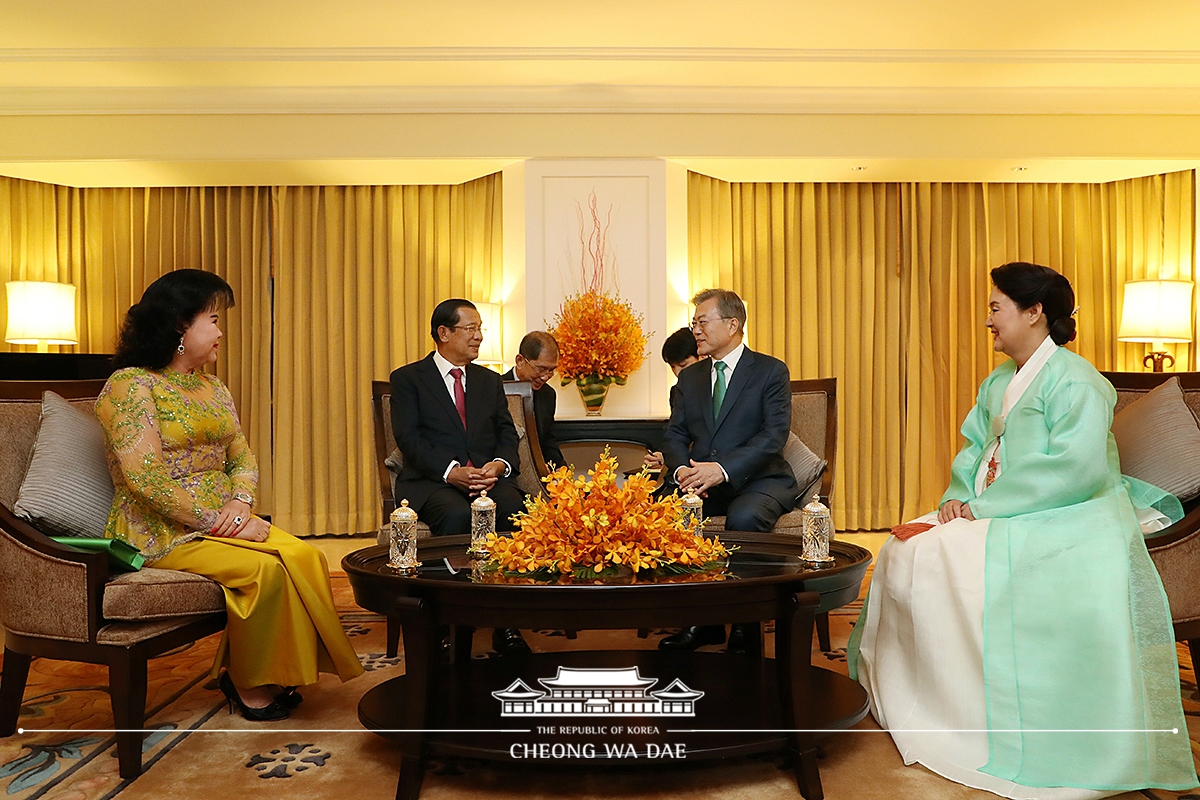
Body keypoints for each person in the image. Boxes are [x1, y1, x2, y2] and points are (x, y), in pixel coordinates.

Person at [848, 262, 1196, 799]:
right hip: (998, 503)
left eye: (995, 308)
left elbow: (1075, 469)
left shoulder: (1081, 381)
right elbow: (973, 450)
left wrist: (985, 509)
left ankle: (973, 718)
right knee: (902, 549)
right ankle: (926, 700)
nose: (988, 319)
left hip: (1067, 508)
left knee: (946, 561)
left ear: (1034, 312)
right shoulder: (999, 381)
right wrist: (958, 499)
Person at [94, 269, 364, 722]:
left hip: (222, 519)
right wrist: (226, 521)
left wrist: (240, 504)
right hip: (158, 532)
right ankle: (245, 680)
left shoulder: (214, 388)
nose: (220, 332)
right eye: (213, 320)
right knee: (263, 569)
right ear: (180, 326)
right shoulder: (130, 385)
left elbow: (243, 457)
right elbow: (146, 479)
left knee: (309, 557)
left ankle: (265, 668)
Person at [658, 289, 798, 651]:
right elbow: (674, 433)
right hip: (700, 482)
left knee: (745, 518)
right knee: (663, 514)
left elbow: (773, 436)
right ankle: (700, 620)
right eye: (694, 323)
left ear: (732, 324)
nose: (696, 331)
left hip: (760, 480)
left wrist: (721, 470)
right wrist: (681, 474)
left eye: (702, 322)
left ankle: (745, 624)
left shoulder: (769, 370)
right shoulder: (690, 379)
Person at [389, 298, 529, 655]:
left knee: (516, 506)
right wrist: (452, 472)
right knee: (455, 514)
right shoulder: (408, 379)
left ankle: (506, 622)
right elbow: (410, 438)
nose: (479, 336)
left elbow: (506, 432)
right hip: (433, 481)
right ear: (443, 332)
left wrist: (498, 465)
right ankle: (447, 619)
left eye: (480, 329)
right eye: (471, 329)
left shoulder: (487, 380)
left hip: (487, 480)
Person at [502, 331, 565, 469]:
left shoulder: (548, 394)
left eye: (551, 370)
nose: (545, 377)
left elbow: (548, 441)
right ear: (519, 361)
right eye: (541, 369)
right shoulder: (496, 389)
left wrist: (559, 469)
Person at [643, 327, 702, 470]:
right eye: (672, 367)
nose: (677, 373)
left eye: (683, 365)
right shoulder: (676, 392)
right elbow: (679, 435)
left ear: (702, 356)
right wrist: (663, 455)